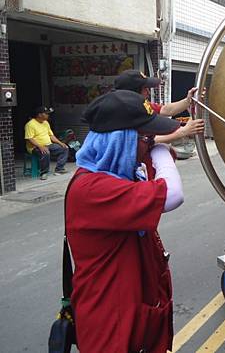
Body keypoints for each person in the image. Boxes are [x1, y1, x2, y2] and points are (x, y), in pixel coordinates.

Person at [66, 89, 184, 352]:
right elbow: (172, 194)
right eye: (147, 138)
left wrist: (151, 148)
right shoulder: (93, 189)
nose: (151, 143)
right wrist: (160, 151)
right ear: (121, 141)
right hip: (111, 324)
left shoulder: (121, 175)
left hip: (133, 311)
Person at [114, 69, 204, 143]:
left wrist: (188, 100)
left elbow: (166, 110)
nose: (149, 92)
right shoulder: (120, 114)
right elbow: (147, 140)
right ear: (132, 92)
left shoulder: (143, 105)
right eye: (145, 88)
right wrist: (183, 131)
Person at [24, 106, 69, 180]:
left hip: (49, 145)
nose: (48, 115)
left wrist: (61, 143)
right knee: (46, 152)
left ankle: (59, 169)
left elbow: (51, 136)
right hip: (34, 147)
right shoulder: (30, 124)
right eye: (46, 114)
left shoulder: (46, 123)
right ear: (39, 115)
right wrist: (40, 146)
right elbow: (30, 138)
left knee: (64, 148)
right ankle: (44, 173)